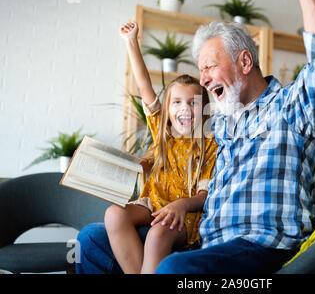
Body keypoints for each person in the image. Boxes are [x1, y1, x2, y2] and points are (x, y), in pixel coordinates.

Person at [76, 0, 315, 274]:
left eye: (209, 66)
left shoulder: (291, 108)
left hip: (260, 247)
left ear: (245, 63)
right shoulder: (216, 123)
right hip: (206, 242)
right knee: (91, 240)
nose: (203, 78)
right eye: (200, 70)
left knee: (175, 270)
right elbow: (160, 113)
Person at [78, 21, 217, 274]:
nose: (184, 108)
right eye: (176, 102)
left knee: (157, 234)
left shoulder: (209, 143)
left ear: (205, 109)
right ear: (167, 109)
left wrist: (181, 205)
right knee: (113, 215)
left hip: (182, 216)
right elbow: (144, 86)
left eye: (193, 103)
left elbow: (205, 194)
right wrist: (131, 42)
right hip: (151, 204)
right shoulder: (163, 133)